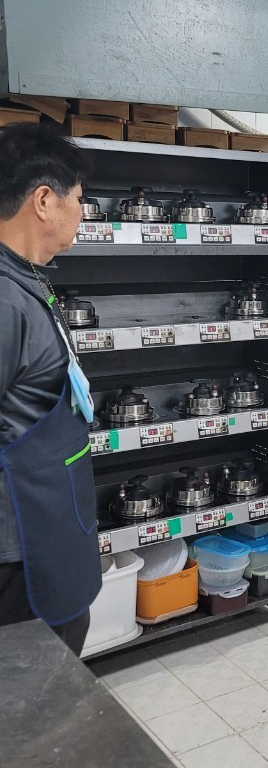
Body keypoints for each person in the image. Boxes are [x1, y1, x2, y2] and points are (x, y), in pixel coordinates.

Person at [0, 123, 101, 655]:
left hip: (50, 532)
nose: (82, 213)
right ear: (44, 201)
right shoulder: (3, 301)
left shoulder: (26, 280)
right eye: (79, 199)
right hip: (19, 557)